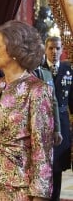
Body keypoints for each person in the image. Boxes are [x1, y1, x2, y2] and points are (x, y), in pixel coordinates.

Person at [0, 20, 54, 201]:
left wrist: (39, 195)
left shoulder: (37, 90)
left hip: (20, 188)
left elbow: (42, 148)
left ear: (14, 50)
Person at [42, 36, 73, 200]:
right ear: (45, 49)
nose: (54, 52)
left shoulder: (68, 71)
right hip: (43, 123)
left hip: (62, 121)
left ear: (62, 50)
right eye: (51, 48)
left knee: (58, 167)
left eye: (58, 48)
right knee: (44, 165)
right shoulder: (38, 69)